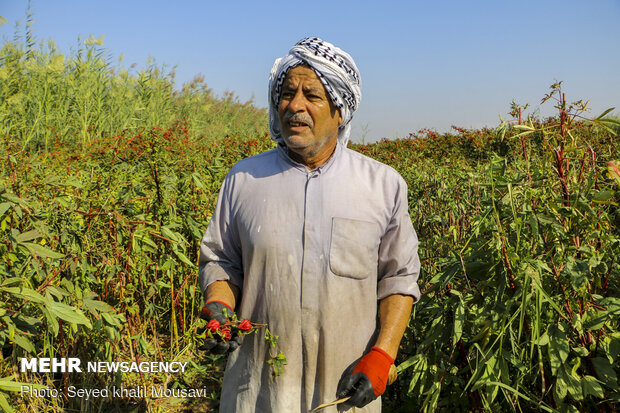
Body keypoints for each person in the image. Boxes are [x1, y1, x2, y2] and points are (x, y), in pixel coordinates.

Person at [198, 37, 421, 413]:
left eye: (312, 95)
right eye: (286, 94)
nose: (294, 105)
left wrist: (383, 356)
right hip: (258, 391)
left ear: (341, 110)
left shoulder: (382, 185)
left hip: (343, 392)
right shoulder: (244, 180)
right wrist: (218, 304)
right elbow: (221, 260)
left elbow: (398, 280)